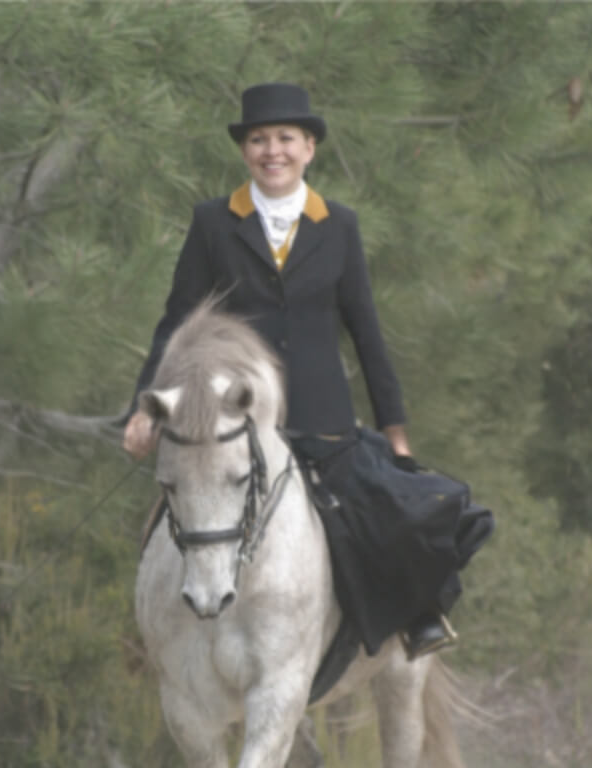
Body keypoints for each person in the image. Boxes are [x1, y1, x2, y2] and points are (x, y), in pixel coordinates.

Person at [123, 82, 492, 660]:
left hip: (322, 419)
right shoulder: (212, 222)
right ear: (244, 150)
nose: (273, 151)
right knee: (184, 507)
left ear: (309, 148)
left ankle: (415, 618)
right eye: (259, 139)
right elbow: (176, 323)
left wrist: (395, 432)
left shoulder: (339, 224)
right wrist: (143, 409)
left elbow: (366, 333)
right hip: (234, 417)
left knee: (389, 517)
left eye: (285, 138)